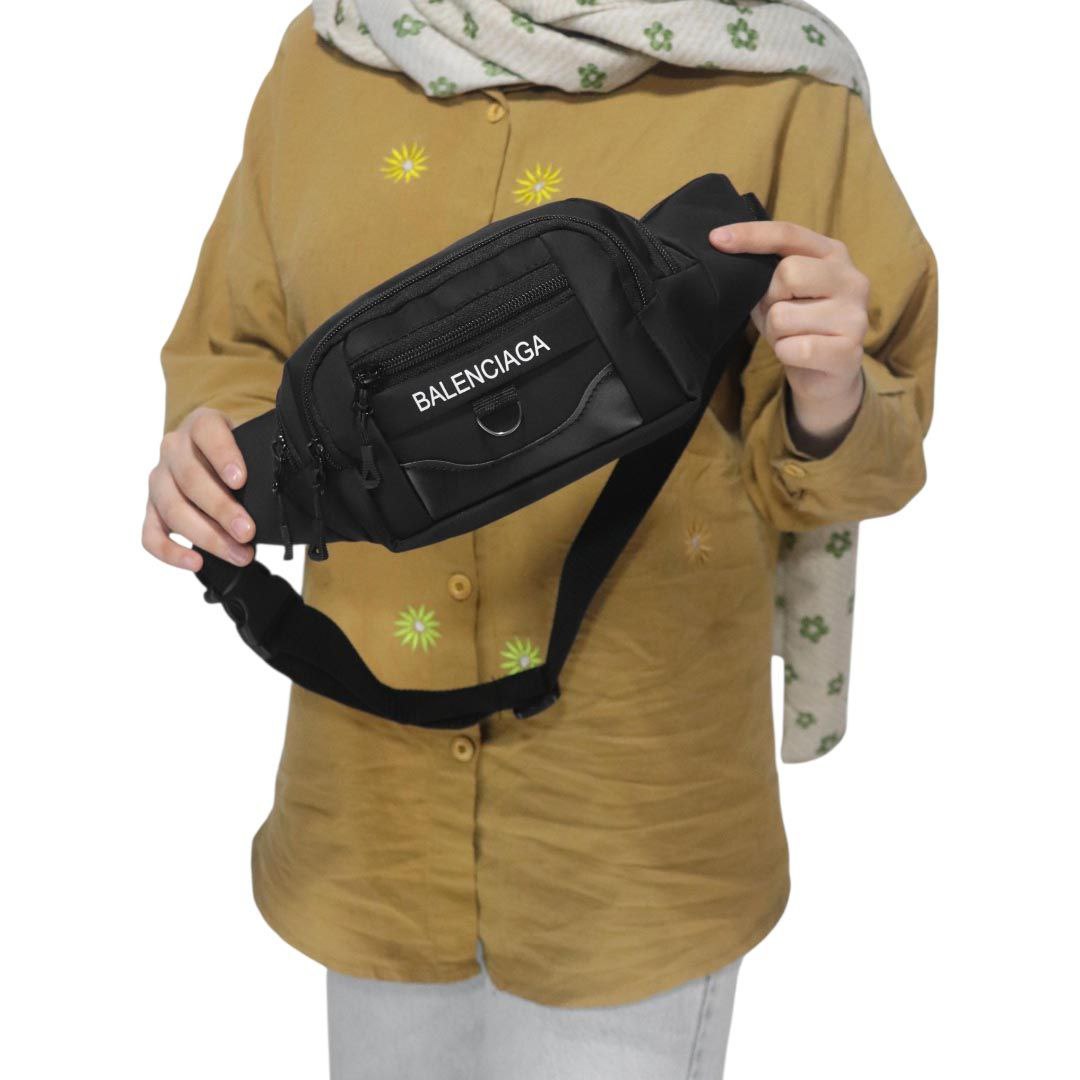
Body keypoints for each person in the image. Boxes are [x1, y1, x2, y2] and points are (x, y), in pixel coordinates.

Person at [144, 2, 937, 1076]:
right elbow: (235, 343)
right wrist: (218, 459)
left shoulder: (783, 83)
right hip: (372, 811)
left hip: (633, 833)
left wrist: (832, 391)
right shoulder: (335, 49)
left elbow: (860, 460)